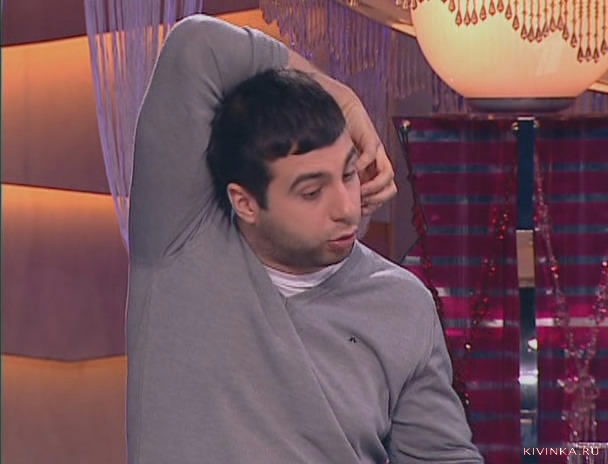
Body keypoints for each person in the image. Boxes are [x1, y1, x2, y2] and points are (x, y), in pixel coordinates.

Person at [127, 13, 483, 464]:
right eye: (312, 192)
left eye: (348, 174)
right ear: (245, 202)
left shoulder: (402, 303)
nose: (347, 208)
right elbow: (198, 44)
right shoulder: (180, 241)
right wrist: (340, 95)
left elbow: (442, 457)